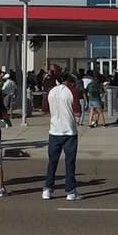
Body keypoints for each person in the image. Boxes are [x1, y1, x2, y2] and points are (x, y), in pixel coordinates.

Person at [43, 72, 82, 201]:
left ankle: (47, 189)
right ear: (71, 82)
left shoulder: (51, 91)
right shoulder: (72, 91)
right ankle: (70, 190)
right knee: (70, 162)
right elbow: (77, 112)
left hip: (54, 130)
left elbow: (44, 108)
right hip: (69, 131)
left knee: (52, 162)